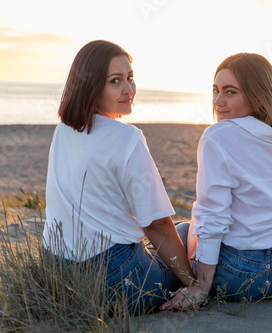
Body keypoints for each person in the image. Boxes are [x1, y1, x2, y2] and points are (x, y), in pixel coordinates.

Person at [42, 40, 195, 314]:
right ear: (91, 87)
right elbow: (157, 224)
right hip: (117, 281)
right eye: (115, 81)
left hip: (58, 274)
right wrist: (192, 286)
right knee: (187, 231)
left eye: (130, 78)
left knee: (168, 237)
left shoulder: (63, 130)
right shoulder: (128, 138)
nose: (129, 89)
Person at [161, 53, 272, 310]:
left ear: (259, 96)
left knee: (185, 230)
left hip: (239, 277)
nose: (218, 101)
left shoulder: (218, 136)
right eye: (216, 91)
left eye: (230, 92)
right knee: (193, 225)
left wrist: (202, 287)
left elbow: (212, 217)